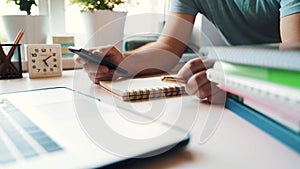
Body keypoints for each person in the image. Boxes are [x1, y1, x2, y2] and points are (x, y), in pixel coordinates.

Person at [74, 0, 300, 103]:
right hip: (249, 93)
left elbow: (293, 55)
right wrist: (122, 62)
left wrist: (228, 74)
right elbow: (167, 48)